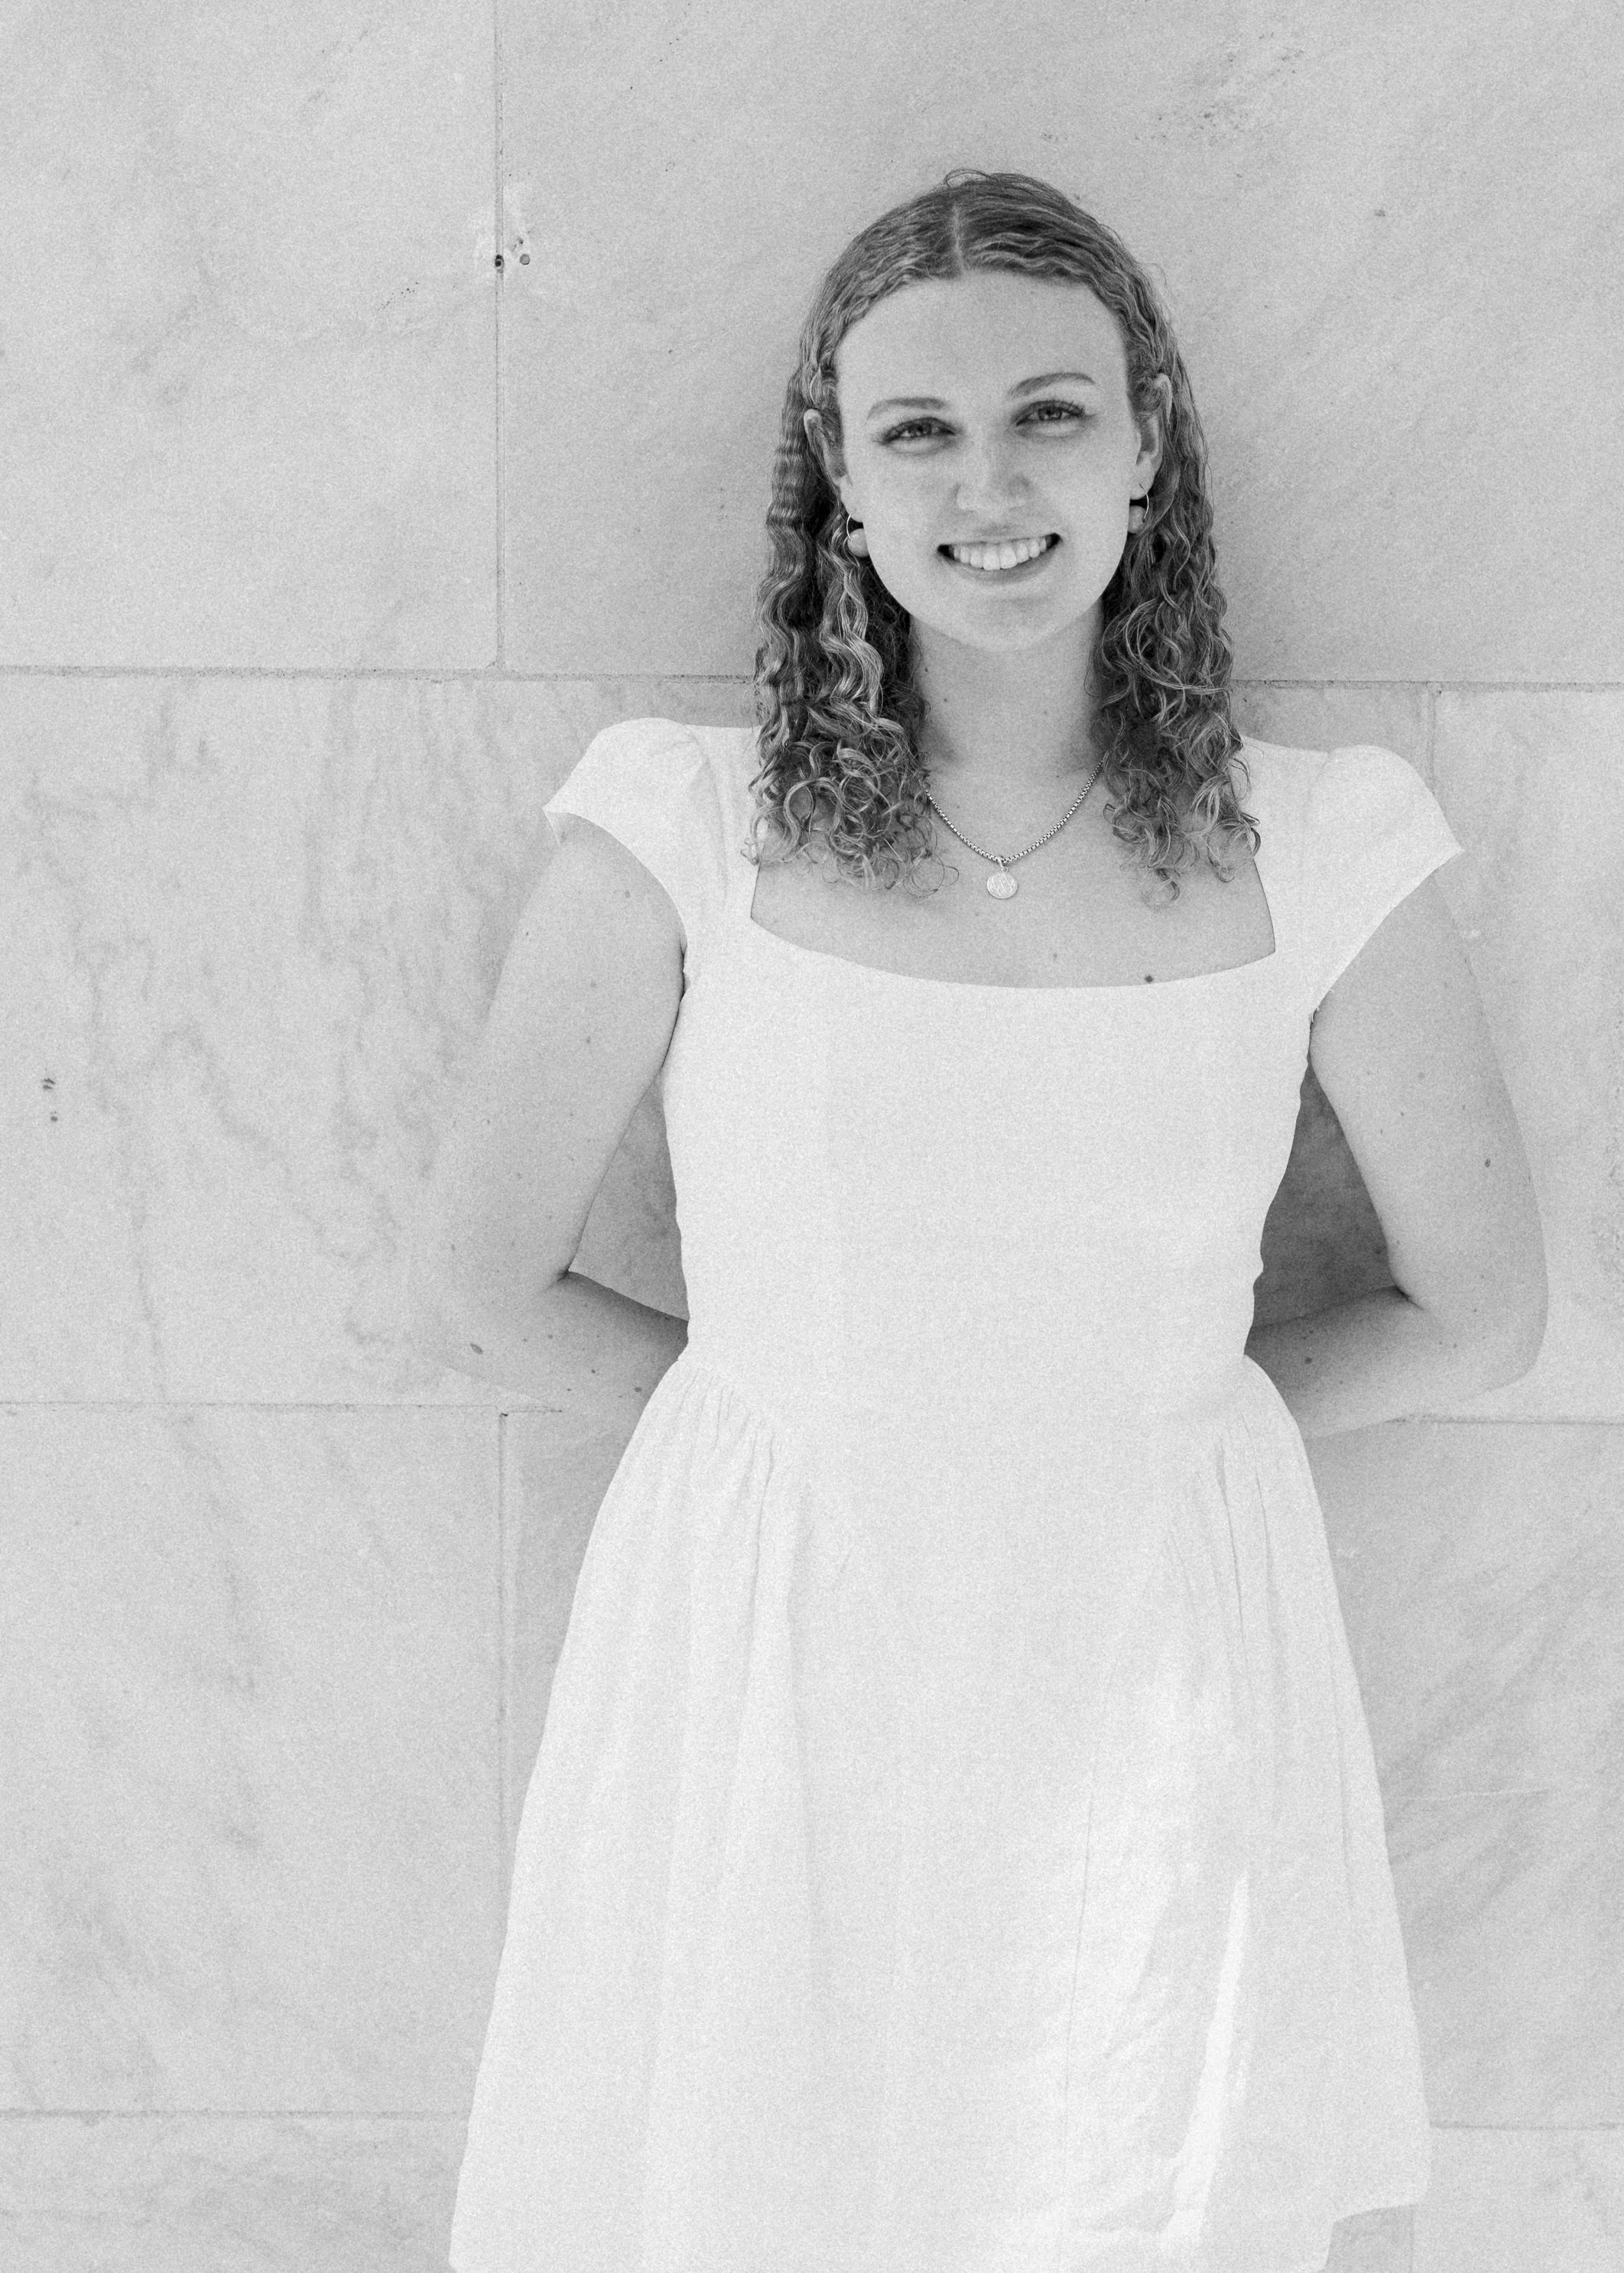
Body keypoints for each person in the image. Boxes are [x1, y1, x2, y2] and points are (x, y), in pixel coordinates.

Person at [411, 168, 1549, 2273]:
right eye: (917, 429)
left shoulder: (1324, 843)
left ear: (1146, 449)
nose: (988, 479)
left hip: (1151, 1642)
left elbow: (1477, 1309)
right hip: (776, 1644)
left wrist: (1123, 1420)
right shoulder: (676, 826)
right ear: (836, 479)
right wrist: (823, 1427)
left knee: (1139, 2184)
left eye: (1049, 412)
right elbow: (486, 1281)